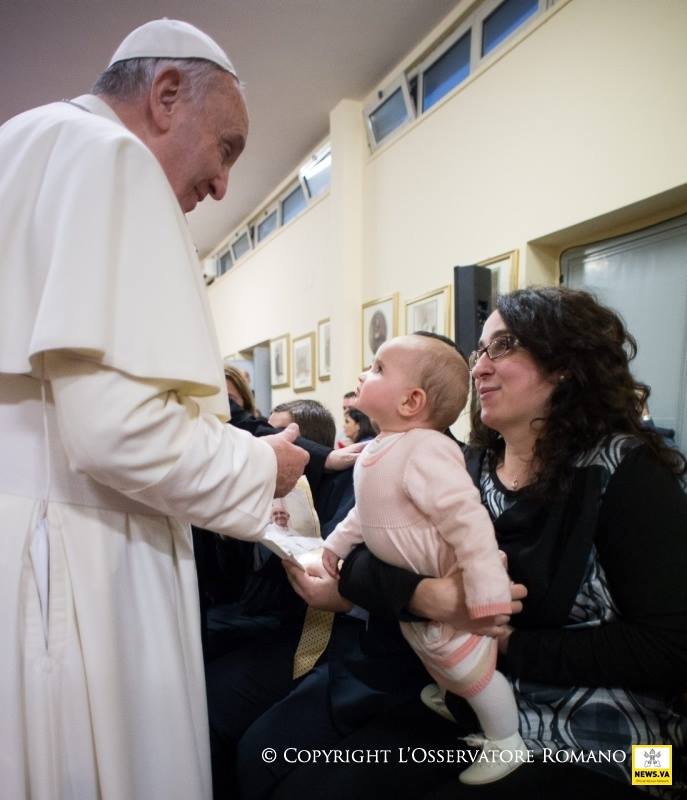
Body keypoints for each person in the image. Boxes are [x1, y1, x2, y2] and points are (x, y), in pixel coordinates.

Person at [0, 19, 309, 800]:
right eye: (227, 147)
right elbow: (115, 433)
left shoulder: (20, 141)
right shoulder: (112, 158)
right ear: (166, 94)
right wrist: (257, 463)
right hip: (78, 553)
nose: (220, 185)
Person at [333, 287, 687, 797]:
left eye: (504, 346)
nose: (478, 368)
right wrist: (427, 597)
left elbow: (670, 646)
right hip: (476, 706)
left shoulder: (627, 469)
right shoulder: (464, 463)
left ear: (565, 362)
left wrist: (507, 642)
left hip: (629, 742)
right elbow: (365, 555)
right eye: (481, 351)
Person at [322, 333, 526, 785]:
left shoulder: (427, 449)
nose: (362, 373)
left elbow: (467, 520)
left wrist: (487, 588)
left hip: (456, 581)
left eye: (376, 369)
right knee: (438, 660)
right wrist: (334, 546)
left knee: (469, 668)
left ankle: (506, 739)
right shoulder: (376, 450)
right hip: (418, 600)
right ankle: (459, 701)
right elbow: (364, 512)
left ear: (412, 401)